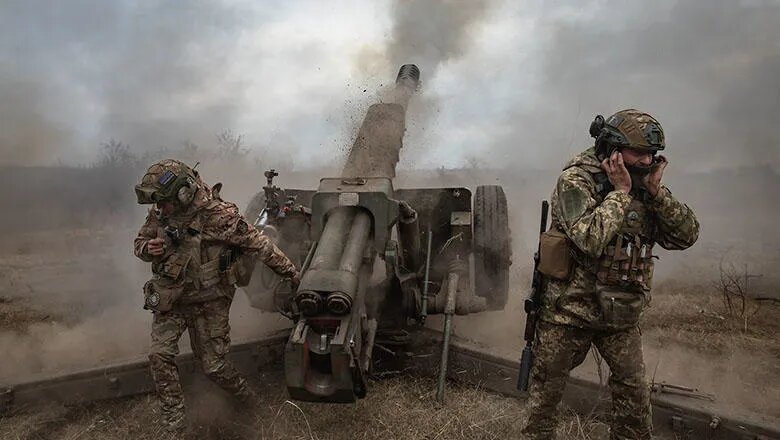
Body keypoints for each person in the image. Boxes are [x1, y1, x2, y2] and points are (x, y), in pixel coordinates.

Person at [521, 110, 700, 439]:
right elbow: (590, 239)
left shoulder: (644, 183)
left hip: (620, 312)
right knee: (546, 395)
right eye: (639, 153)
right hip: (569, 310)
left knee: (634, 395)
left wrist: (657, 195)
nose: (647, 161)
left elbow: (685, 236)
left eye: (652, 154)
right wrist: (620, 192)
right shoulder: (576, 180)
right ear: (613, 148)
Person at [133, 159, 299, 432]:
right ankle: (174, 426)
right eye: (157, 204)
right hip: (172, 298)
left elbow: (261, 246)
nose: (160, 209)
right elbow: (139, 242)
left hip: (210, 300)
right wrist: (147, 248)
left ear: (184, 193)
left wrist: (292, 275)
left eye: (164, 202)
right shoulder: (160, 214)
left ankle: (249, 401)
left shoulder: (221, 216)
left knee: (214, 367)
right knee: (159, 355)